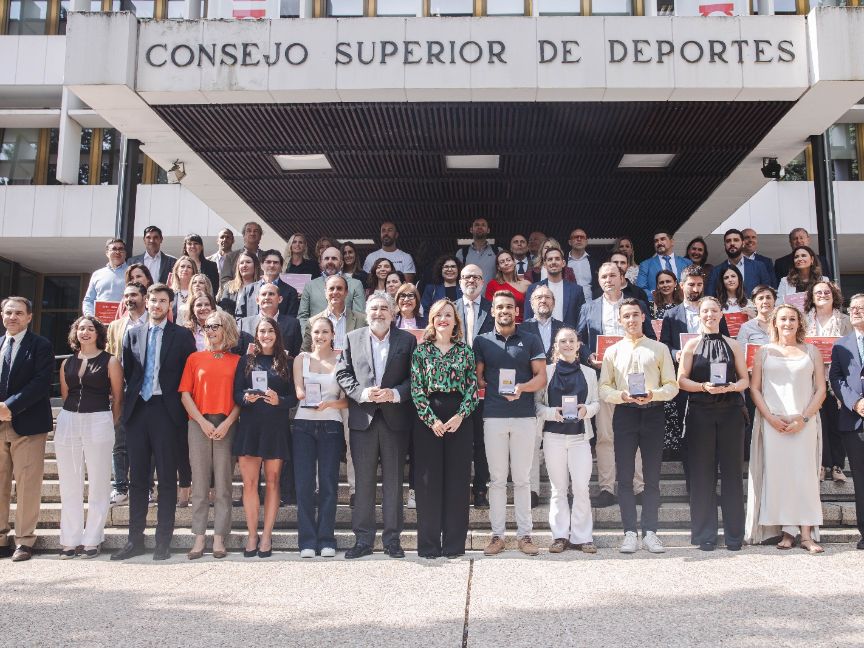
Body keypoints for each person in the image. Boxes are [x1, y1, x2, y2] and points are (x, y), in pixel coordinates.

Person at [112, 284, 197, 561]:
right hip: (139, 411)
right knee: (137, 479)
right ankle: (134, 540)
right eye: (153, 300)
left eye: (163, 300)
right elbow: (129, 372)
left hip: (167, 411)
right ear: (146, 303)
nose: (157, 305)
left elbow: (189, 376)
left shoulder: (183, 336)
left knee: (167, 479)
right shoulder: (132, 333)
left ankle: (163, 540)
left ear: (170, 304)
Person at [336, 294, 417, 559]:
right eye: (374, 309)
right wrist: (362, 393)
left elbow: (414, 378)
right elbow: (342, 372)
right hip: (363, 419)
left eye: (384, 308)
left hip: (395, 419)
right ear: (366, 312)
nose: (379, 313)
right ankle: (363, 540)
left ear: (393, 313)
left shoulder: (407, 340)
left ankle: (393, 540)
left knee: (394, 483)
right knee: (363, 483)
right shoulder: (353, 337)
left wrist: (394, 393)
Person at [599, 299, 679, 554]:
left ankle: (651, 532)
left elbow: (672, 385)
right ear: (620, 320)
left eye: (635, 315)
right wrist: (621, 396)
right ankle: (630, 532)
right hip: (625, 414)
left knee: (652, 476)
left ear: (643, 317)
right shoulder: (612, 352)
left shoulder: (658, 348)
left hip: (653, 413)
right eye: (626, 316)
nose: (631, 320)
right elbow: (604, 388)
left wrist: (653, 394)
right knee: (624, 475)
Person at [745, 304, 826, 553]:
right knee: (779, 477)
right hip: (774, 424)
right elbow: (755, 388)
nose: (788, 323)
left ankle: (806, 535)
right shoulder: (764, 352)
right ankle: (786, 532)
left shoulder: (811, 351)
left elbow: (821, 389)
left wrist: (803, 417)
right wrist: (769, 417)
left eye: (792, 319)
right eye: (783, 319)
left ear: (799, 323)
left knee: (804, 477)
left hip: (804, 423)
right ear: (775, 323)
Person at [474, 291, 547, 556]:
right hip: (493, 414)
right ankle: (497, 536)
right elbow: (478, 377)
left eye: (509, 307)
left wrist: (522, 388)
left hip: (524, 415)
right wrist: (483, 381)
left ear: (516, 311)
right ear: (492, 311)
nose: (504, 310)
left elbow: (541, 378)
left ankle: (525, 535)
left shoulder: (530, 339)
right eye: (499, 307)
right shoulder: (481, 341)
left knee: (522, 479)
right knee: (496, 479)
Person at [577, 262, 653, 507]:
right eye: (603, 276)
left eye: (613, 275)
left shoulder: (636, 306)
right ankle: (607, 489)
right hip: (603, 378)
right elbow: (579, 340)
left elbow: (649, 335)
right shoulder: (588, 308)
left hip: (634, 377)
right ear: (598, 281)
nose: (608, 280)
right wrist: (589, 356)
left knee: (637, 435)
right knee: (605, 436)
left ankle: (638, 487)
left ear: (622, 279)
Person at [677, 297, 750, 551]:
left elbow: (745, 381)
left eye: (714, 311)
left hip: (731, 413)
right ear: (699, 315)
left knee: (731, 474)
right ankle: (705, 534)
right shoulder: (691, 346)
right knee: (702, 475)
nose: (709, 315)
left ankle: (733, 536)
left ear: (721, 314)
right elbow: (681, 381)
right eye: (705, 311)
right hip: (700, 414)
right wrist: (703, 387)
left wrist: (731, 387)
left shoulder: (733, 344)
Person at [410, 299, 479, 558]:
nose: (443, 319)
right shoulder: (421, 352)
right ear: (431, 320)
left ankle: (453, 546)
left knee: (457, 483)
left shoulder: (465, 351)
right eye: (438, 315)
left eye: (448, 315)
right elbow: (416, 389)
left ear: (456, 321)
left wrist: (461, 415)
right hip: (429, 419)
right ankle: (428, 546)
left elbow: (473, 388)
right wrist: (432, 420)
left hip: (459, 418)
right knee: (428, 484)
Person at [56, 316, 123, 559]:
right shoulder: (66, 363)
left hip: (99, 419)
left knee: (98, 481)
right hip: (69, 420)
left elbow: (117, 397)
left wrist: (109, 422)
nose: (85, 332)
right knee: (69, 483)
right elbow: (65, 395)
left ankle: (93, 539)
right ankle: (70, 540)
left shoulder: (110, 361)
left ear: (98, 333)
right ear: (75, 333)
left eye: (90, 328)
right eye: (81, 328)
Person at [179, 310, 241, 560]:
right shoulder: (195, 358)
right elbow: (185, 394)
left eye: (216, 326)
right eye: (207, 327)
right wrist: (202, 421)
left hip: (227, 422)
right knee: (200, 483)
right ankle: (199, 537)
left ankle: (219, 538)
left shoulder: (237, 361)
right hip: (198, 422)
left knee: (224, 484)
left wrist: (227, 423)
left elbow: (240, 398)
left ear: (226, 328)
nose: (211, 331)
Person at [235, 316, 297, 558]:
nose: (266, 335)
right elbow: (236, 393)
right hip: (250, 427)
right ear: (256, 335)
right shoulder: (246, 360)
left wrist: (278, 400)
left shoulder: (286, 362)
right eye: (261, 331)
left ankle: (267, 536)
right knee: (249, 484)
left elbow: (293, 398)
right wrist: (246, 398)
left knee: (273, 482)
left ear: (277, 334)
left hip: (276, 428)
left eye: (270, 331)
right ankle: (252, 535)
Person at [535, 327, 600, 554]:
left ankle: (583, 537)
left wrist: (586, 411)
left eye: (572, 340)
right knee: (558, 489)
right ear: (556, 345)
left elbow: (596, 403)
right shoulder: (547, 371)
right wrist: (554, 413)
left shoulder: (589, 373)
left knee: (581, 488)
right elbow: (538, 406)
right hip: (553, 437)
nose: (568, 345)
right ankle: (560, 536)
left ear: (578, 344)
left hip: (580, 438)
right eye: (563, 341)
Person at [0, 297, 55, 561]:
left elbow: (41, 382)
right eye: (8, 312)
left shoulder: (40, 346)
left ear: (29, 317)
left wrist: (9, 406)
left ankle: (24, 540)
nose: (13, 317)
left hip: (28, 425)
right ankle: (0, 537)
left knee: (27, 484)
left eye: (19, 313)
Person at [292, 316, 347, 558]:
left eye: (325, 332)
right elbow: (298, 390)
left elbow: (348, 400)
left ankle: (326, 539)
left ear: (333, 334)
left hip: (331, 424)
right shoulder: (301, 359)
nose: (320, 336)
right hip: (303, 425)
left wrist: (329, 403)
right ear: (310, 334)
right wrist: (304, 394)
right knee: (304, 485)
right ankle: (306, 540)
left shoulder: (342, 360)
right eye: (316, 332)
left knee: (328, 484)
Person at [804, 280, 853, 483]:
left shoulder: (844, 320)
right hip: (813, 379)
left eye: (826, 292)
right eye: (818, 293)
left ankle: (838, 466)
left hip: (838, 377)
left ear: (833, 296)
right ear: (812, 298)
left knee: (836, 423)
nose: (822, 295)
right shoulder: (805, 321)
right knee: (818, 423)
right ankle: (822, 465)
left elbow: (851, 349)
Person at [828, 292, 864, 550]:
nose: (856, 312)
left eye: (861, 308)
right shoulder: (841, 345)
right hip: (854, 421)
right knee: (861, 479)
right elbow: (836, 379)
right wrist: (855, 402)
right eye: (852, 308)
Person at [455, 264, 493, 509]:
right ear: (460, 281)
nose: (471, 280)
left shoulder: (492, 309)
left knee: (481, 440)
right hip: (455, 385)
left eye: (476, 277)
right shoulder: (450, 309)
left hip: (483, 383)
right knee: (459, 439)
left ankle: (480, 489)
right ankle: (459, 490)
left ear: (483, 281)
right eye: (467, 276)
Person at [298, 246, 365, 330]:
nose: (330, 261)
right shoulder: (310, 286)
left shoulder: (355, 285)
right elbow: (302, 317)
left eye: (334, 258)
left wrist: (352, 340)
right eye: (326, 258)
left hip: (346, 339)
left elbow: (360, 317)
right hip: (318, 339)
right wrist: (309, 337)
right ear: (321, 263)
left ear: (341, 263)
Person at [523, 247, 585, 329]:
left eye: (557, 259)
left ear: (563, 263)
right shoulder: (533, 289)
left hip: (568, 338)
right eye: (550, 259)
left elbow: (582, 320)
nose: (553, 262)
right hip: (540, 338)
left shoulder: (576, 290)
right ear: (545, 264)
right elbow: (528, 318)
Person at [239, 281, 303, 358]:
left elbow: (295, 354)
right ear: (257, 300)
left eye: (271, 294)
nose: (267, 297)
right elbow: (239, 354)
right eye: (263, 294)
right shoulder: (244, 324)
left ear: (280, 299)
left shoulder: (293, 324)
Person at [707, 229, 774, 297]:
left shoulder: (759, 267)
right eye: (728, 241)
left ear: (743, 243)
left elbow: (768, 293)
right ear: (725, 245)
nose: (732, 243)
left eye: (736, 240)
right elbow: (710, 297)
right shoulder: (716, 271)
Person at [241, 249, 300, 319]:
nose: (272, 265)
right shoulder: (248, 289)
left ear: (281, 267)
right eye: (268, 262)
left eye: (275, 263)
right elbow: (240, 316)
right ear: (261, 265)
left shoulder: (291, 292)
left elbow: (291, 320)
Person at [83, 238, 128, 316]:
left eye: (121, 249)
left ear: (125, 253)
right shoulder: (97, 274)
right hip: (100, 324)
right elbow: (88, 300)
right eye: (114, 249)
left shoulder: (132, 272)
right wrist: (91, 317)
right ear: (107, 253)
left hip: (125, 322)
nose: (118, 252)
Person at [519, 285, 564, 362]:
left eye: (547, 297)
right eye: (539, 297)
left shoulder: (565, 329)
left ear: (553, 303)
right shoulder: (521, 329)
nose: (543, 301)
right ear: (532, 304)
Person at [484, 250, 531, 324]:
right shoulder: (492, 285)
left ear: (514, 262)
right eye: (502, 262)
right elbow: (489, 310)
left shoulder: (526, 284)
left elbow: (531, 309)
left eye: (508, 260)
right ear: (498, 267)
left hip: (522, 327)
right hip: (501, 326)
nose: (506, 263)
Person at [455, 218, 499, 290]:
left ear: (488, 230)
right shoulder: (462, 253)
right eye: (477, 225)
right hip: (469, 298)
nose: (480, 227)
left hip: (492, 298)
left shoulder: (497, 251)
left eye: (483, 225)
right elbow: (456, 278)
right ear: (471, 230)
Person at [216, 251, 262, 318]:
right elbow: (224, 311)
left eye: (248, 262)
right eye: (241, 263)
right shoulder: (229, 286)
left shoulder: (262, 286)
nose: (244, 265)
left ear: (255, 266)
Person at [219, 221, 265, 286]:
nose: (252, 233)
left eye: (255, 231)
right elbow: (225, 281)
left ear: (260, 236)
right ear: (243, 235)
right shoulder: (231, 257)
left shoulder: (267, 257)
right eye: (249, 231)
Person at [566, 228, 601, 302]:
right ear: (570, 242)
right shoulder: (563, 261)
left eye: (582, 237)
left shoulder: (594, 263)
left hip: (590, 304)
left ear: (586, 242)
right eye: (576, 237)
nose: (579, 239)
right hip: (569, 304)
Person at [168, 255, 199, 326]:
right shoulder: (169, 293)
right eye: (182, 266)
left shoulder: (197, 293)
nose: (185, 269)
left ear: (193, 272)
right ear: (176, 270)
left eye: (189, 267)